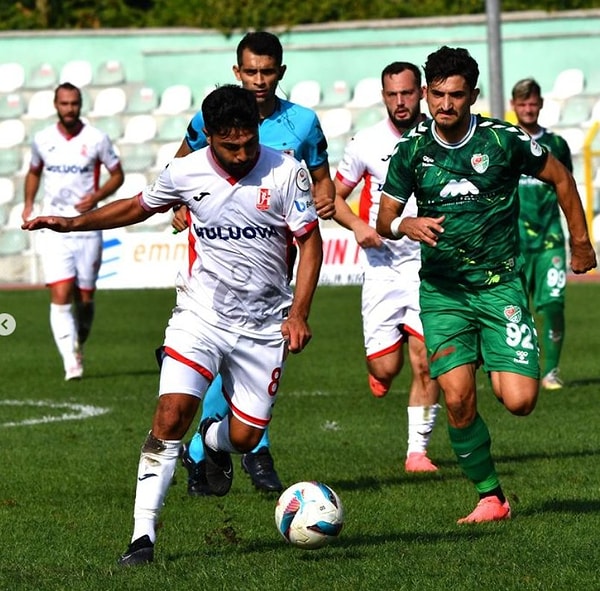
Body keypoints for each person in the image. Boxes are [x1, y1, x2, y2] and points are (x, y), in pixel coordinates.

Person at [23, 84, 323, 565]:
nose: (242, 153)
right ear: (209, 138)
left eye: (248, 142)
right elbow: (138, 206)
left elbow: (310, 243)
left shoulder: (287, 171)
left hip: (265, 323)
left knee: (245, 437)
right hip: (200, 315)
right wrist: (73, 223)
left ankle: (210, 439)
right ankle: (142, 538)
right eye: (230, 146)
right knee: (168, 416)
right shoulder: (185, 171)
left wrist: (299, 312)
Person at [376, 46, 596, 524]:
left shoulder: (502, 142)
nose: (446, 105)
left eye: (457, 95)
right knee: (455, 396)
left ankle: (501, 364)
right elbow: (384, 218)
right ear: (427, 94)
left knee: (519, 401)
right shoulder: (411, 151)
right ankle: (490, 496)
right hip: (443, 293)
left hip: (500, 288)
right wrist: (405, 226)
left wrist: (581, 242)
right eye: (437, 95)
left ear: (472, 95)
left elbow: (559, 176)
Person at [173, 31, 335, 496]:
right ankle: (251, 452)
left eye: (268, 71)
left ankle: (207, 451)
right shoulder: (214, 117)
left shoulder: (303, 124)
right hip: (217, 258)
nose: (259, 80)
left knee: (250, 360)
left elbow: (322, 179)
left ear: (281, 72)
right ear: (236, 71)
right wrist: (179, 205)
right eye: (251, 71)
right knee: (219, 351)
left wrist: (323, 200)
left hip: (275, 264)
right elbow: (180, 165)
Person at [333, 61, 441, 473]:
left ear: (422, 92)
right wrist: (359, 226)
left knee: (426, 361)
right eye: (393, 94)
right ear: (384, 97)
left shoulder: (439, 138)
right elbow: (333, 197)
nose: (401, 102)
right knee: (386, 367)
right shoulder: (365, 143)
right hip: (381, 269)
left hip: (427, 270)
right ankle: (379, 370)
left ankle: (417, 451)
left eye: (408, 93)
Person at [22, 82, 124, 381]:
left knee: (85, 298)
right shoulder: (42, 139)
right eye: (64, 104)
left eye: (74, 103)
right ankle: (71, 361)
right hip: (53, 226)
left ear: (80, 105)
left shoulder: (96, 139)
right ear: (56, 105)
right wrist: (29, 203)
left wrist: (96, 197)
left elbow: (117, 174)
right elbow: (34, 171)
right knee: (61, 291)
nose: (69, 109)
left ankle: (77, 341)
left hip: (87, 226)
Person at [510, 78, 572, 391]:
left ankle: (551, 371)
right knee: (516, 309)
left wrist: (578, 236)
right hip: (514, 242)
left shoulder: (557, 145)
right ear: (513, 106)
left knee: (553, 304)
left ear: (541, 104)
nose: (528, 109)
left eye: (532, 103)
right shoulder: (505, 142)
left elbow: (567, 188)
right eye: (522, 104)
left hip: (550, 241)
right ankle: (523, 368)